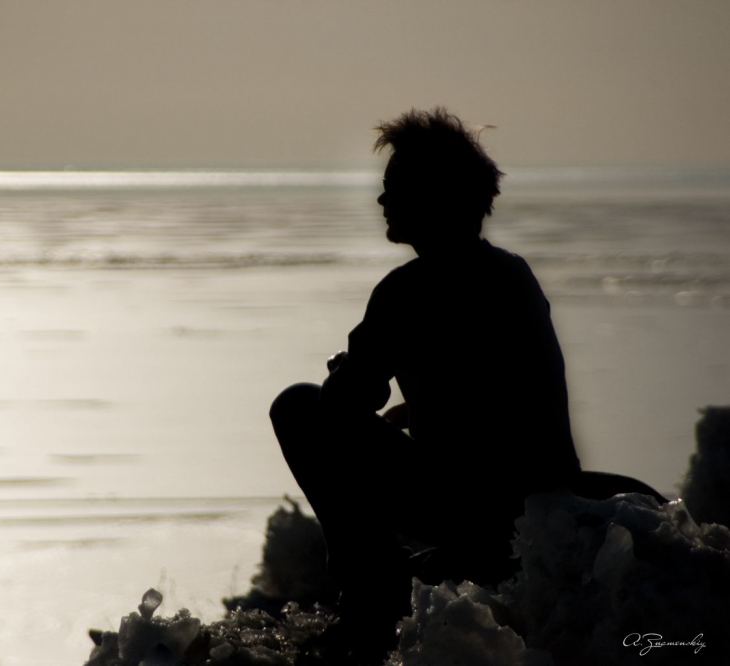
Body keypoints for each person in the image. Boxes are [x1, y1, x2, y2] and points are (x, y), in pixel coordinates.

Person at [269, 108, 663, 662]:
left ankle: (369, 589)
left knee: (296, 406)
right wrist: (416, 409)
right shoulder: (512, 275)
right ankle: (415, 571)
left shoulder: (406, 291)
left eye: (394, 189)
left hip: (470, 510)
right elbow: (485, 394)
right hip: (542, 501)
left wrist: (344, 370)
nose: (382, 200)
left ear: (432, 199)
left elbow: (348, 404)